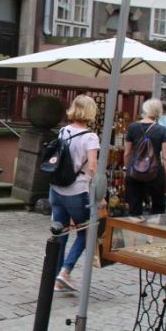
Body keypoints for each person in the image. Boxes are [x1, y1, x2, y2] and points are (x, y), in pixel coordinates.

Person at [50, 94, 100, 293]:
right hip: (77, 191)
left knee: (61, 232)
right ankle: (65, 271)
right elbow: (93, 168)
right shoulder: (90, 137)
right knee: (87, 231)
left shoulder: (63, 131)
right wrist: (99, 195)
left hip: (57, 189)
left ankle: (57, 278)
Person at [123, 98, 166, 216]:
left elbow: (127, 153)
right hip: (155, 173)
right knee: (158, 208)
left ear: (145, 109)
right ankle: (153, 227)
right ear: (158, 112)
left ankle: (135, 227)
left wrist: (126, 169)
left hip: (135, 172)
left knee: (134, 208)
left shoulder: (132, 127)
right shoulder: (162, 130)